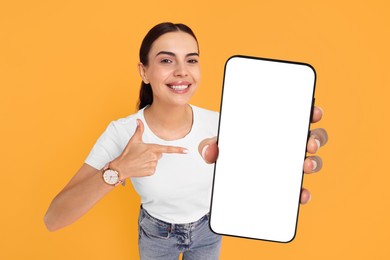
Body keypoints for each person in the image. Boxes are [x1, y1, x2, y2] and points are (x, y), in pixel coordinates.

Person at [44, 22, 328, 259]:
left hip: (208, 231)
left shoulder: (223, 123)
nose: (182, 70)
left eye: (191, 60)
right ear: (144, 71)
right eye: (167, 60)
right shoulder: (123, 132)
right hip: (156, 235)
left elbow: (256, 172)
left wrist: (291, 150)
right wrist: (119, 170)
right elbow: (53, 218)